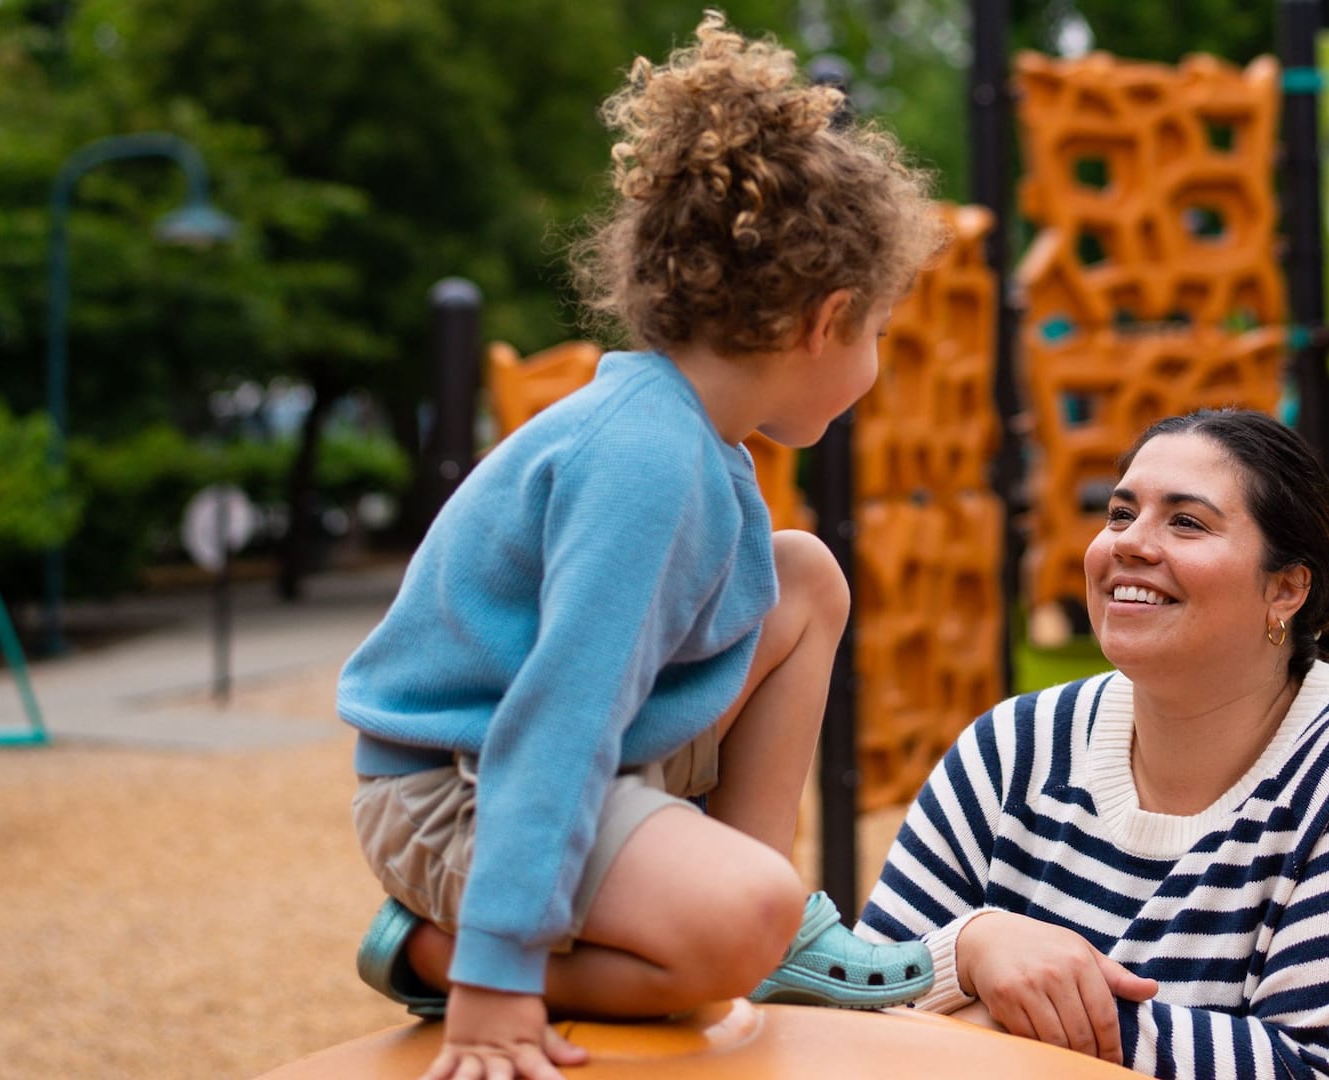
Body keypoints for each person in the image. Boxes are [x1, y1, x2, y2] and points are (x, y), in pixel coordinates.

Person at [337, 14, 945, 1080]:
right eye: (881, 330)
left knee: (804, 576)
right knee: (725, 931)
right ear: (828, 319)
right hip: (457, 789)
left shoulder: (693, 439)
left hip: (557, 761)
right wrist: (492, 982)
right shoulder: (646, 464)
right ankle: (432, 951)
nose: (878, 356)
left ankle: (770, 924)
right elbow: (559, 716)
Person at [857, 409, 1329, 1078]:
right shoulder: (1014, 749)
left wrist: (1017, 1024)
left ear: (1286, 588)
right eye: (1119, 514)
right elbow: (845, 1012)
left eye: (1187, 522)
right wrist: (974, 946)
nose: (1129, 544)